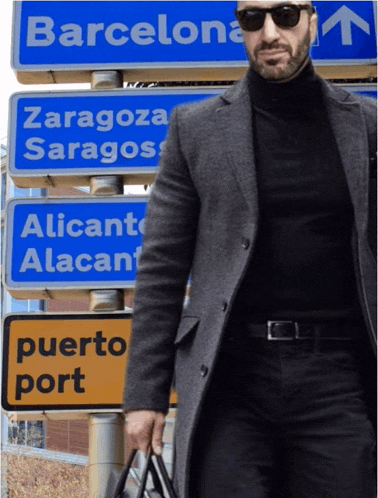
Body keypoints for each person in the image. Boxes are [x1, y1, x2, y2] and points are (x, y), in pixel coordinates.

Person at [124, 1, 377, 497]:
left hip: (337, 376)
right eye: (252, 19)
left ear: (312, 22)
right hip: (231, 380)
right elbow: (161, 267)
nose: (269, 33)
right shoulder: (195, 130)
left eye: (284, 15)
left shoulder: (366, 126)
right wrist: (143, 397)